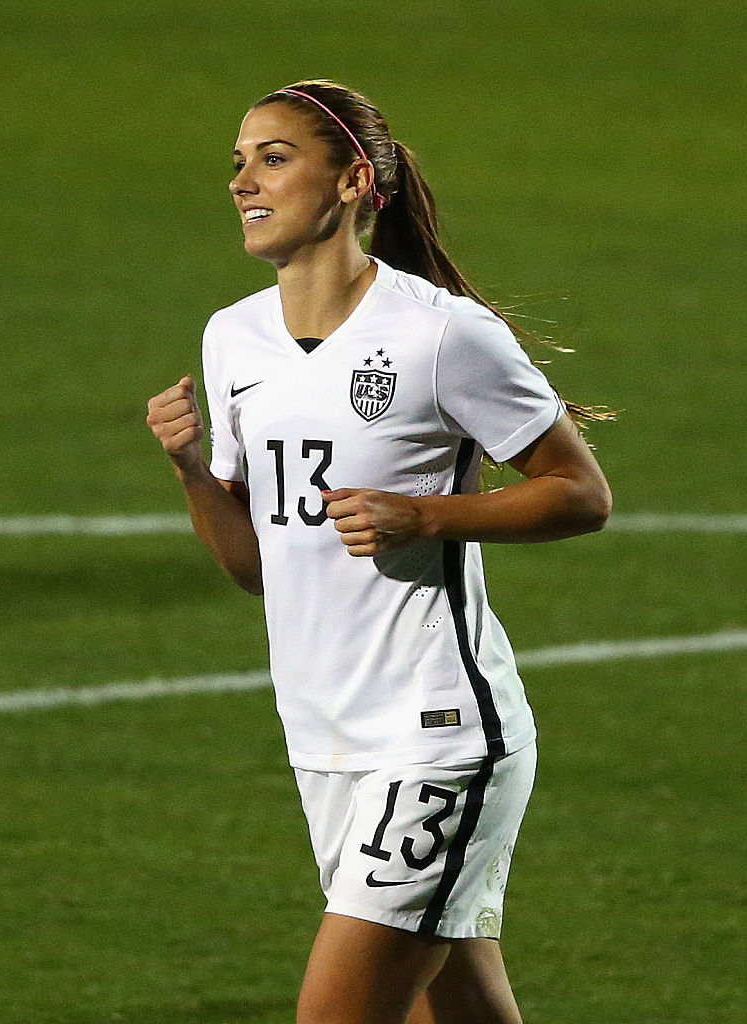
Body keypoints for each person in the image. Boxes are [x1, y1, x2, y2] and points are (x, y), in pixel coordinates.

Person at [146, 80, 612, 1024]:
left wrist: (425, 516)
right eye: (238, 162)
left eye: (273, 158)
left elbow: (580, 494)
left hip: (435, 732)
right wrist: (193, 470)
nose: (243, 180)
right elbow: (256, 570)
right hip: (325, 739)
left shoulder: (440, 333)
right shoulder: (232, 337)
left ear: (354, 179)